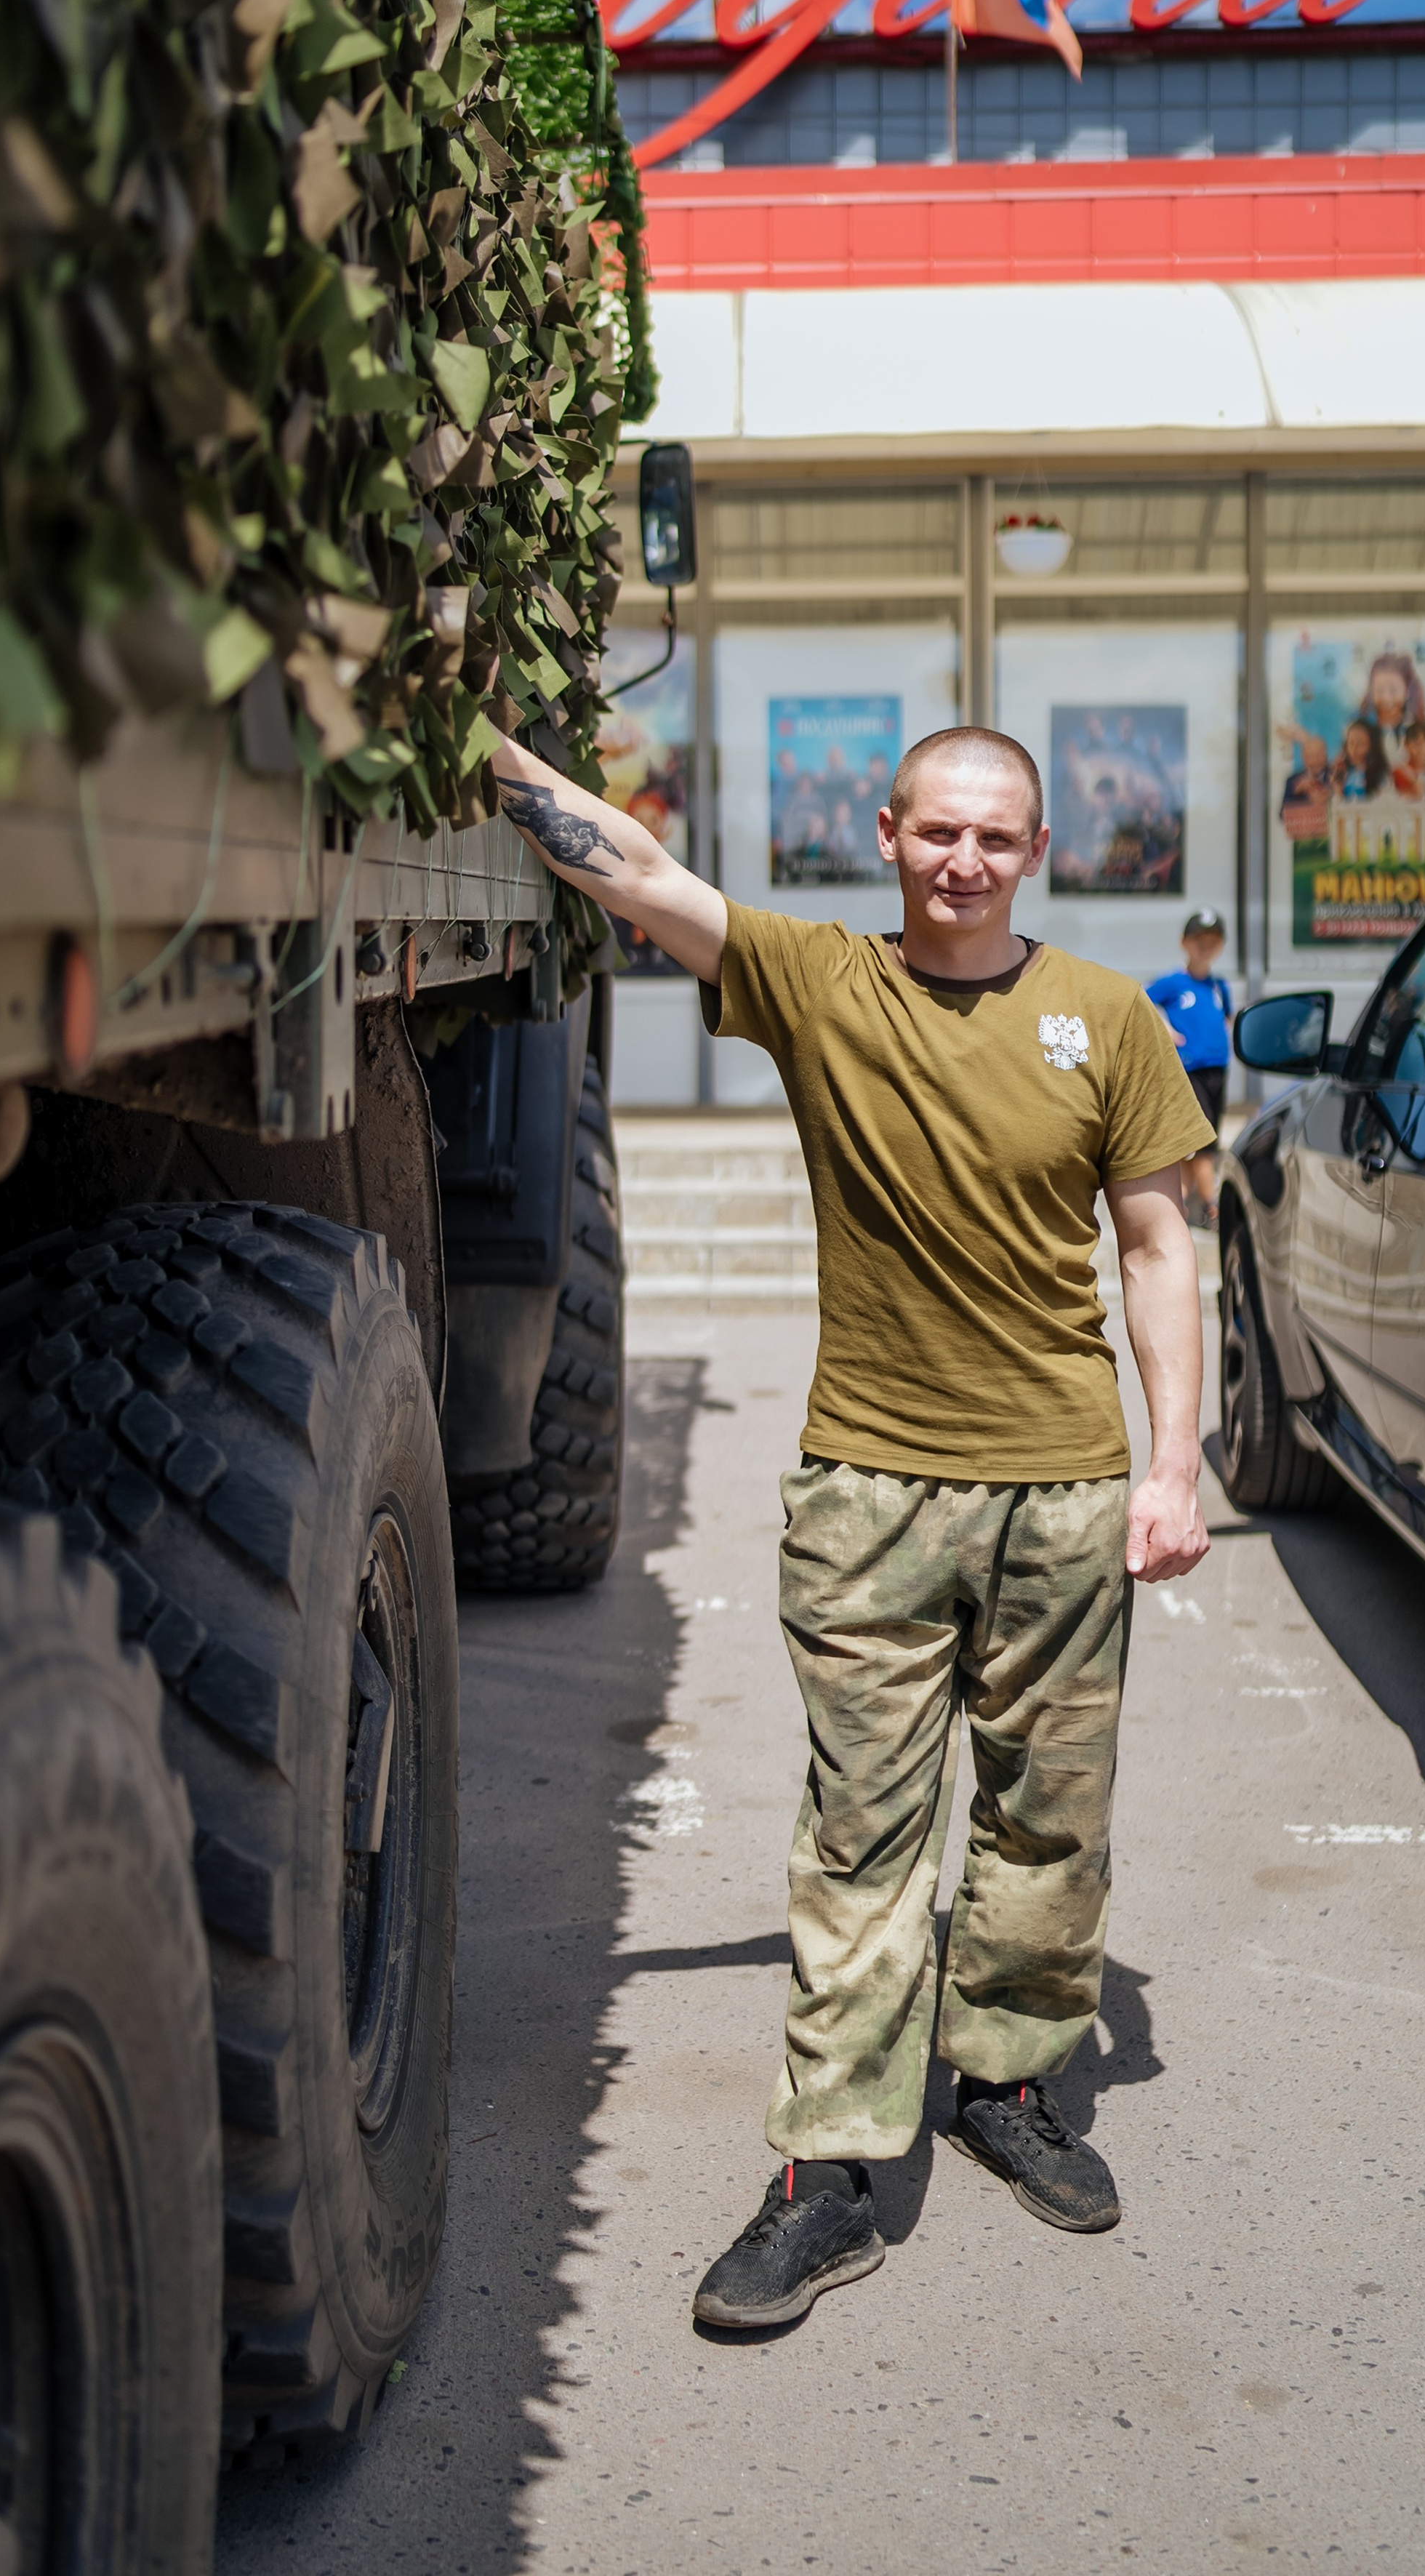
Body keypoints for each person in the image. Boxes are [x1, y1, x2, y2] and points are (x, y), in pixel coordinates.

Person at [491, 718, 1213, 2329]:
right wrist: (486, 751)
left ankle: (1004, 2083)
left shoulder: (1105, 1021)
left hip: (1063, 1487)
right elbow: (648, 879)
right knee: (860, 1838)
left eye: (996, 838)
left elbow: (1158, 1250)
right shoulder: (821, 985)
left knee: (1047, 1818)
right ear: (884, 835)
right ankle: (828, 2174)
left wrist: (1173, 1468)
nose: (963, 861)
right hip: (866, 1492)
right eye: (936, 832)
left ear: (1039, 851)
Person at [1145, 910, 1233, 1225]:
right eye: (1199, 940)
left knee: (1193, 1147)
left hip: (1217, 1070)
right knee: (1204, 1141)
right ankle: (1213, 1207)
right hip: (1188, 1071)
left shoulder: (1219, 986)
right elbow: (1141, 1001)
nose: (1205, 947)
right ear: (1185, 943)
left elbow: (1226, 1019)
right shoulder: (1174, 982)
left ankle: (1179, 1207)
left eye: (1212, 941)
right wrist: (1165, 1028)